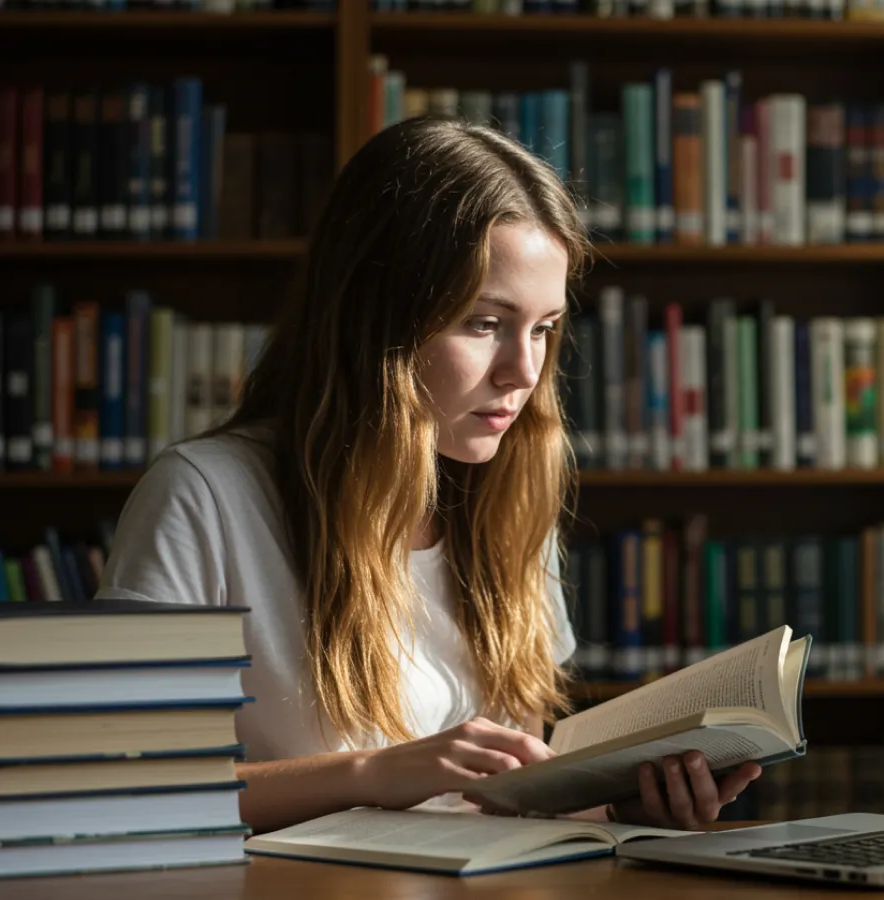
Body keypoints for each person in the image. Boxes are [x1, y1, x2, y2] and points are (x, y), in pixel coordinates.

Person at [96, 116, 762, 836]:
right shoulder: (207, 495)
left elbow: (499, 804)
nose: (525, 373)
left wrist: (623, 807)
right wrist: (373, 775)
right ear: (377, 322)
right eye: (484, 323)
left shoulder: (506, 501)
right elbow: (122, 788)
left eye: (543, 329)